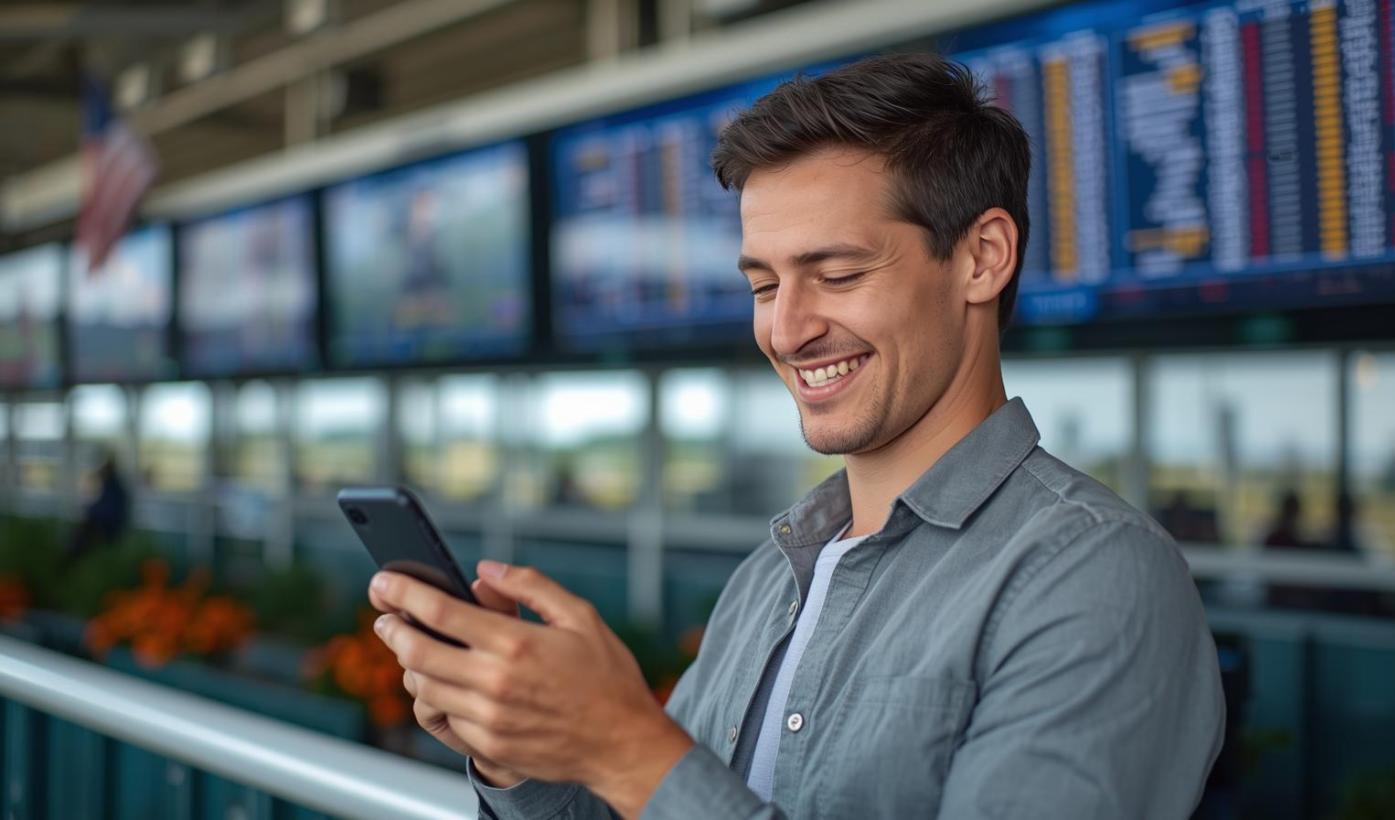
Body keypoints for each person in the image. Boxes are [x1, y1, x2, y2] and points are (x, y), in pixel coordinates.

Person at [368, 53, 1224, 819]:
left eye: (838, 274)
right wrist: (528, 759)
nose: (786, 329)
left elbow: (658, 782)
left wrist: (629, 749)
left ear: (981, 257)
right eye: (761, 285)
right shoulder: (770, 577)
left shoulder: (1094, 575)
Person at [67, 450, 131, 560]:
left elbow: (108, 511)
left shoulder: (114, 486)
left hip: (109, 530)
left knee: (81, 537)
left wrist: (90, 511)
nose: (101, 470)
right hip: (106, 527)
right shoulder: (111, 484)